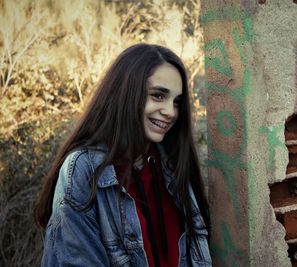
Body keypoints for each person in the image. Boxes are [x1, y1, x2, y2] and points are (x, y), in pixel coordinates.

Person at [33, 43, 211, 267]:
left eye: (176, 102)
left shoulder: (173, 166)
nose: (170, 112)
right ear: (126, 93)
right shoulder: (84, 170)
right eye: (157, 96)